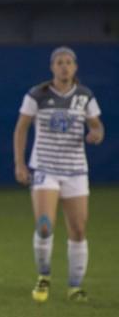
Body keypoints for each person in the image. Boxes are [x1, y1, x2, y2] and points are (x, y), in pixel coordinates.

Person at [13, 46, 105, 303]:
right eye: (59, 62)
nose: (64, 66)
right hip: (45, 168)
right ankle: (44, 276)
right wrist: (20, 164)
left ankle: (75, 287)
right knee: (45, 225)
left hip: (75, 170)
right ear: (52, 67)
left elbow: (96, 124)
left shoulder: (85, 96)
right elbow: (21, 128)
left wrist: (96, 132)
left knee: (78, 229)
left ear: (75, 67)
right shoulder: (38, 94)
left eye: (68, 62)